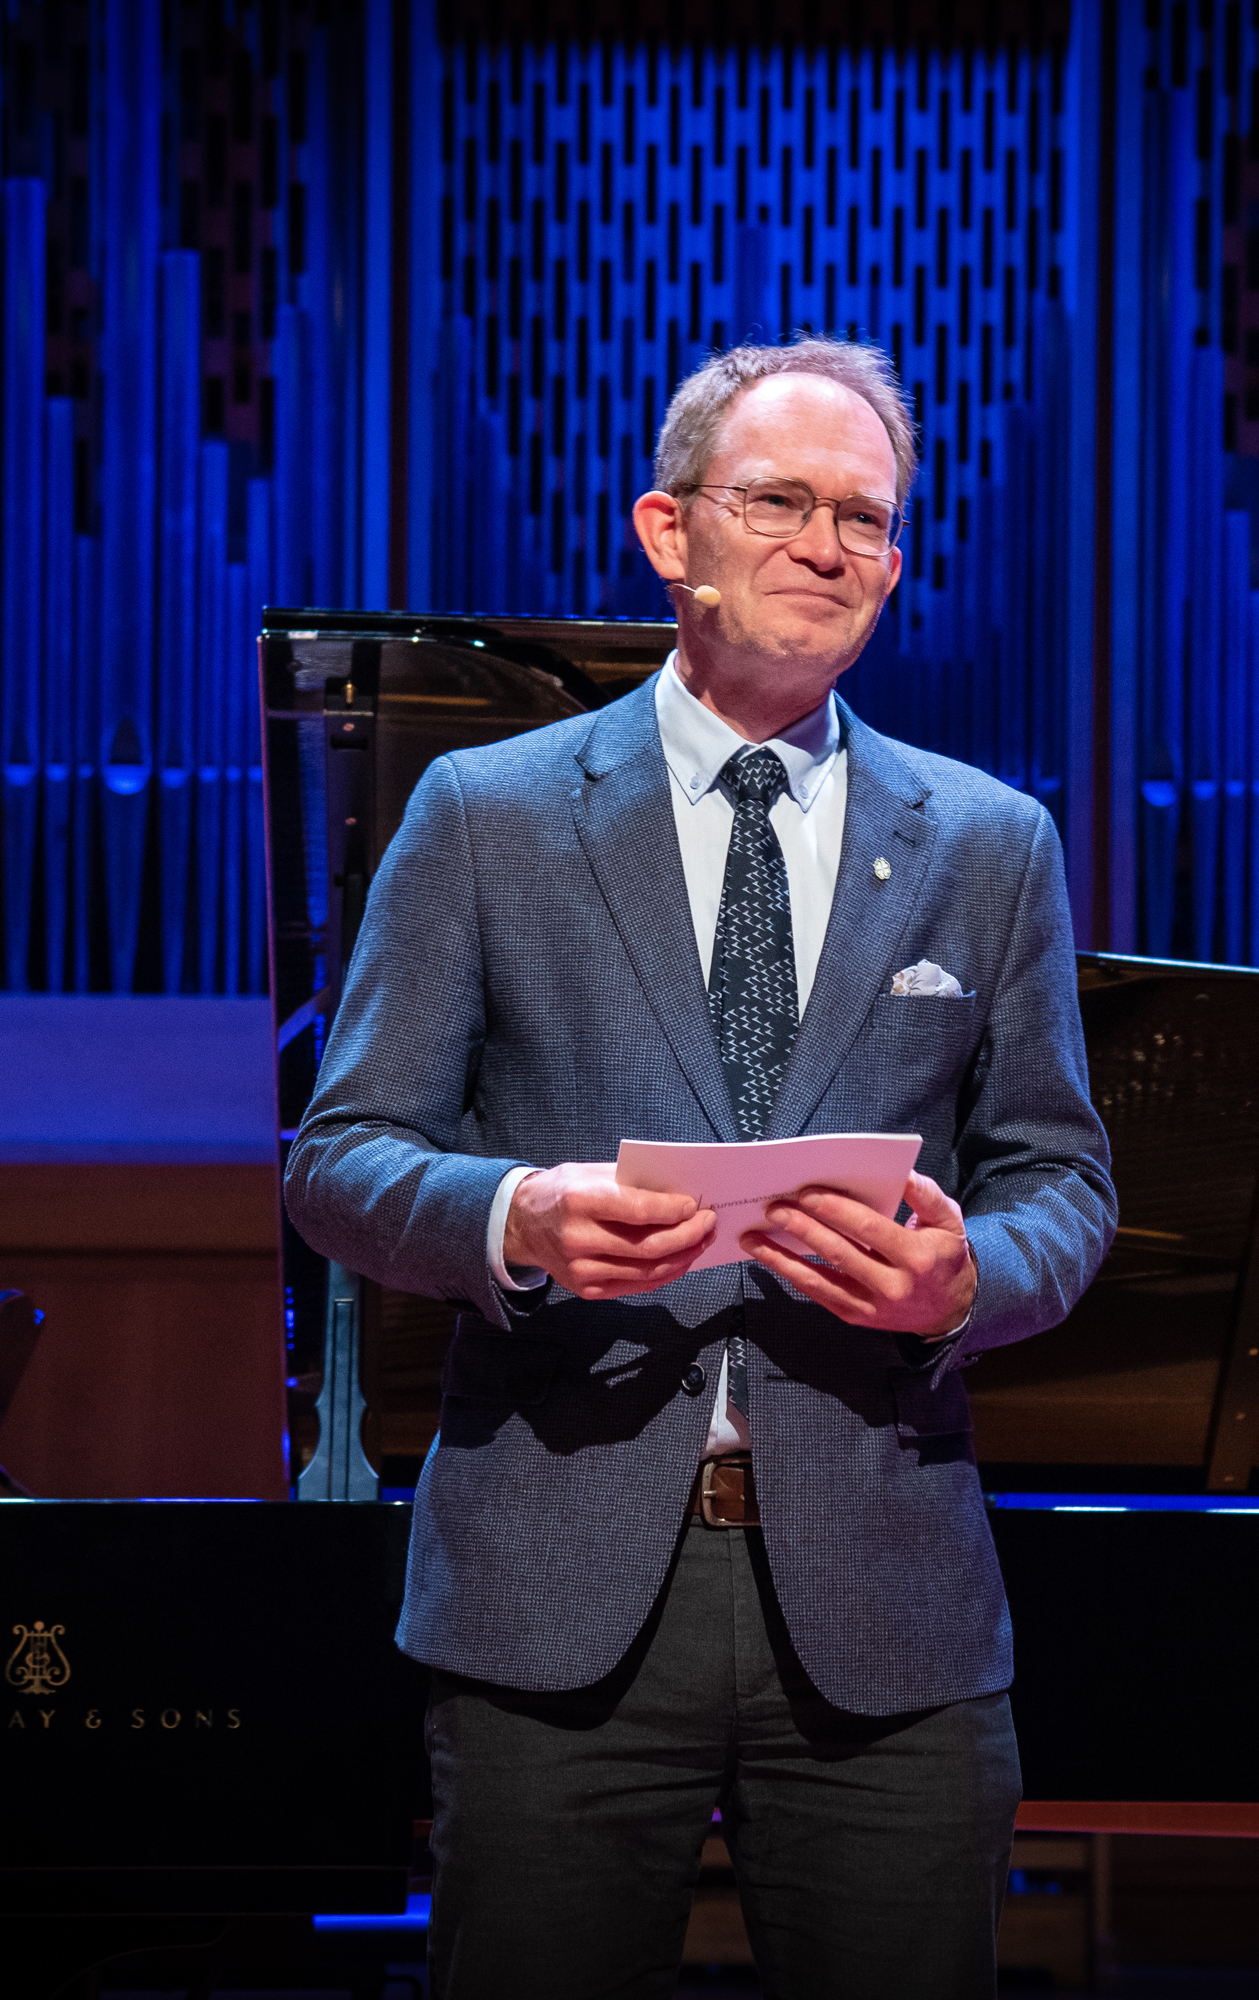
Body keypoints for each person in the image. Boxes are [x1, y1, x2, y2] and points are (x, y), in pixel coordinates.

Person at [285, 335, 1115, 2000]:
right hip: (552, 1598)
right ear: (671, 533)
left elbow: (1063, 1183)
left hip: (886, 1605)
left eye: (868, 520)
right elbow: (340, 1157)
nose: (829, 547)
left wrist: (973, 1278)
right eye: (783, 502)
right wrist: (515, 1215)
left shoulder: (987, 841)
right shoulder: (488, 813)